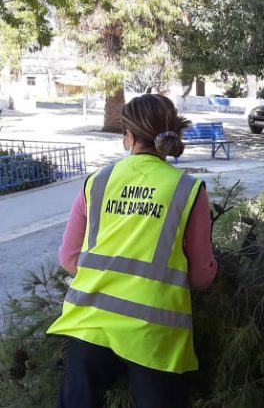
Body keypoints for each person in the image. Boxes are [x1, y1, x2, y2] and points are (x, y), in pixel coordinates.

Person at [47, 94, 218, 408]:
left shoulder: (97, 182)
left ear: (128, 138)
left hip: (90, 325)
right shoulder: (186, 189)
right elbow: (201, 276)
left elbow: (69, 259)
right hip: (154, 334)